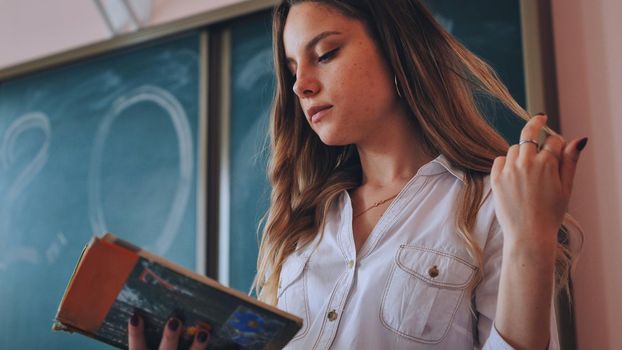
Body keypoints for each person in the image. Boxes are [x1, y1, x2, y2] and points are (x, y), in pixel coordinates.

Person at [127, 0, 587, 349]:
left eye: (324, 53)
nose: (300, 85)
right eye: (291, 69)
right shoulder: (302, 230)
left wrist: (531, 239)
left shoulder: (490, 206)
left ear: (396, 49)